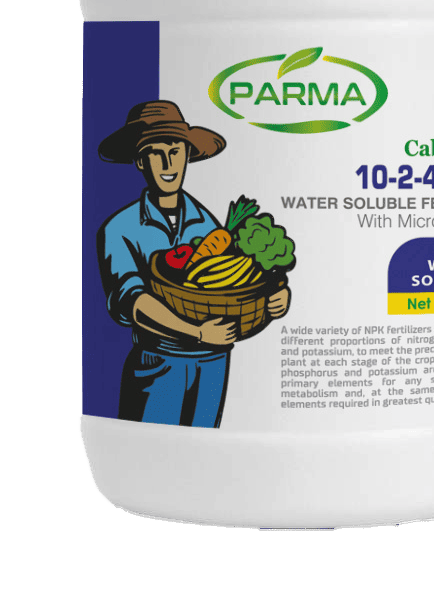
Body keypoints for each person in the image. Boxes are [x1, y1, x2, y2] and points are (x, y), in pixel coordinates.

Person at [97, 100, 291, 427]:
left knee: (205, 445)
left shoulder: (208, 224)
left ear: (187, 155)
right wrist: (197, 332)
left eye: (175, 151)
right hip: (159, 362)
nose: (167, 163)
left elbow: (235, 286)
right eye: (155, 153)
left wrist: (272, 301)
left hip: (215, 361)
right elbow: (135, 302)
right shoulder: (120, 228)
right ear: (140, 161)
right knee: (151, 448)